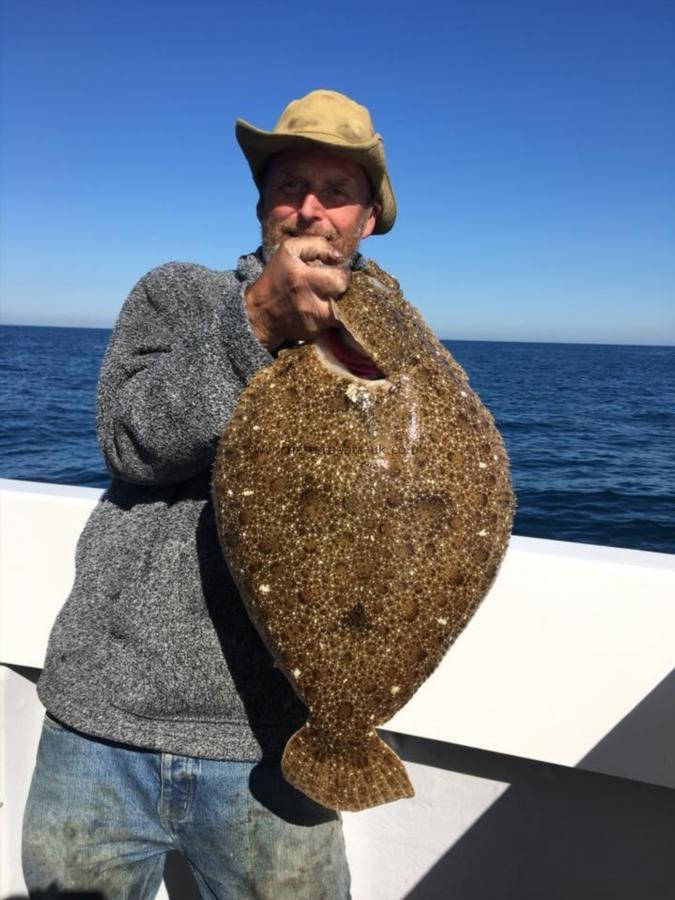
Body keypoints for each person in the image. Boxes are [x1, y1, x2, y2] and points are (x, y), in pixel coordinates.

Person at [21, 88, 396, 899]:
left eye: (335, 192)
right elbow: (131, 443)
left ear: (368, 218)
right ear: (261, 202)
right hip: (101, 721)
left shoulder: (396, 345)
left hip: (280, 743)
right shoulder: (179, 295)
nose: (308, 208)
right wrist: (254, 323)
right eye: (288, 184)